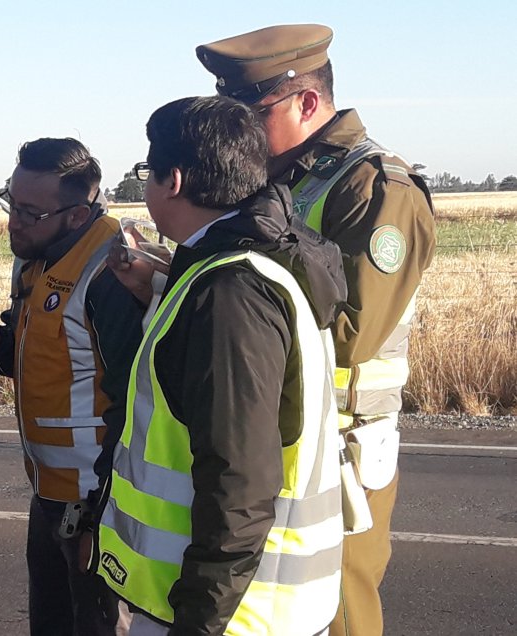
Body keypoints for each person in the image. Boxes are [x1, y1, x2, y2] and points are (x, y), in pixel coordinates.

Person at [196, 24, 436, 635]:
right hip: (274, 433)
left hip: (343, 444)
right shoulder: (273, 180)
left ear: (307, 102)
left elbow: (353, 332)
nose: (239, 132)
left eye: (251, 113)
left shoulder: (375, 189)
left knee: (336, 611)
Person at [93, 96, 348, 635]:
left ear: (174, 181)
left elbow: (239, 480)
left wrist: (200, 623)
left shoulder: (230, 293)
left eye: (147, 172)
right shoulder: (253, 265)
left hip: (233, 615)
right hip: (251, 608)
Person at [0, 138, 144, 635]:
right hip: (49, 492)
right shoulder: (37, 255)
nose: (14, 221)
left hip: (97, 500)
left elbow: (136, 401)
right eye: (12, 203)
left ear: (77, 214)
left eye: (30, 212)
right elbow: (46, 354)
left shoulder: (111, 270)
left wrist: (103, 513)